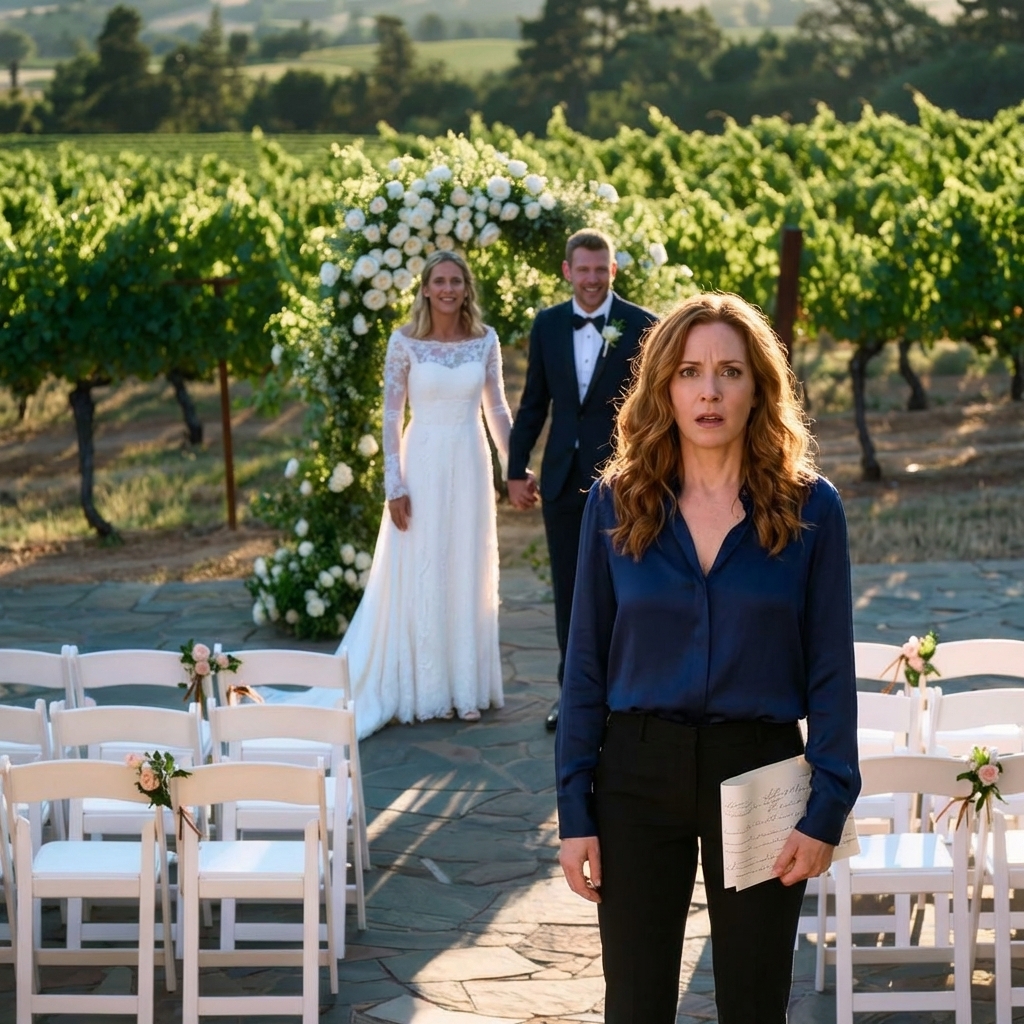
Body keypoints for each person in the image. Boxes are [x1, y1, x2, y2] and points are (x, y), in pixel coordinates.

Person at [555, 292, 860, 1023]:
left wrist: (828, 807)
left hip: (760, 769)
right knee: (635, 1002)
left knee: (754, 1003)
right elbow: (585, 667)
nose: (710, 390)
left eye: (730, 371)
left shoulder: (811, 509)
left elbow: (830, 671)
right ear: (665, 387)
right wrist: (574, 807)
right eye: (690, 372)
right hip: (634, 774)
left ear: (760, 387)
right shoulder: (616, 503)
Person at [333, 250, 512, 737]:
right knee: (425, 563)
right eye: (440, 281)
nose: (449, 288)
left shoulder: (485, 341)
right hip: (424, 462)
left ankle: (467, 689)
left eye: (457, 280)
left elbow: (496, 407)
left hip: (470, 461)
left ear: (466, 288)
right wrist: (395, 482)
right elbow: (392, 416)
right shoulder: (404, 342)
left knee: (466, 565)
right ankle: (429, 687)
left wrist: (515, 465)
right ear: (426, 289)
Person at [507, 229, 656, 732]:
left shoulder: (644, 325)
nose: (592, 278)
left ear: (612, 271)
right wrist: (513, 469)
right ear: (568, 272)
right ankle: (572, 696)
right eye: (583, 269)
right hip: (562, 480)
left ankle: (626, 692)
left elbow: (657, 408)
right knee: (570, 590)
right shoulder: (548, 325)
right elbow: (533, 405)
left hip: (627, 481)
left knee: (628, 588)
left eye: (601, 269)